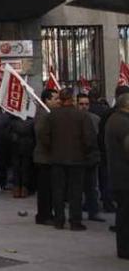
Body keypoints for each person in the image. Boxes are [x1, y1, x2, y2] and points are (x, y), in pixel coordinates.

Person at [41, 87, 97, 231]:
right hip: (77, 159)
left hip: (57, 159)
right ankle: (75, 221)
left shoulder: (52, 116)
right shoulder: (82, 116)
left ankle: (59, 220)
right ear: (72, 99)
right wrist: (85, 152)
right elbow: (89, 138)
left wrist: (52, 150)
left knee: (58, 191)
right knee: (76, 192)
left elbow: (44, 137)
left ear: (61, 99)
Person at [104, 92, 129, 259]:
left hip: (117, 174)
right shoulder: (124, 123)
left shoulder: (113, 120)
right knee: (126, 215)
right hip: (125, 175)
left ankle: (123, 248)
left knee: (123, 214)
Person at [77, 92, 105, 222]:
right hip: (76, 157)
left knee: (92, 187)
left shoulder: (95, 119)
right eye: (81, 104)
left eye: (86, 104)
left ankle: (93, 211)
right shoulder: (73, 118)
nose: (84, 107)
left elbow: (99, 138)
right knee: (76, 187)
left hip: (91, 158)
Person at [34, 88, 60, 225]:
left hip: (48, 157)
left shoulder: (50, 113)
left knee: (50, 188)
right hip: (44, 158)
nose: (58, 102)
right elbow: (41, 134)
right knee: (45, 189)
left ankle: (48, 213)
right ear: (47, 100)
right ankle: (44, 215)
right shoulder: (43, 114)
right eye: (55, 99)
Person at [8, 107, 35, 198]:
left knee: (18, 168)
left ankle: (18, 188)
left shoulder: (13, 120)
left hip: (17, 146)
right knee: (24, 168)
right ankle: (23, 188)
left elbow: (8, 133)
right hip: (26, 146)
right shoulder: (31, 120)